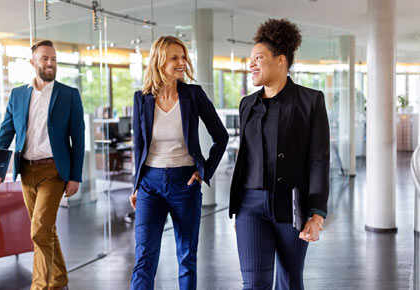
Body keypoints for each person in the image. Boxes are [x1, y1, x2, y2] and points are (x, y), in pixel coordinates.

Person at [229, 19, 330, 290]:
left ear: (281, 60)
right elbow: (246, 158)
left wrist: (317, 215)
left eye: (258, 58)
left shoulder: (311, 101)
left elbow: (319, 160)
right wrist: (238, 208)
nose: (251, 64)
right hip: (250, 206)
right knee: (254, 283)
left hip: (291, 205)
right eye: (250, 59)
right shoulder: (246, 105)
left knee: (289, 281)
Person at [129, 35, 228, 290]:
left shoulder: (192, 95)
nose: (182, 62)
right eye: (175, 57)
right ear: (160, 61)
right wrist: (136, 185)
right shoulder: (141, 98)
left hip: (185, 183)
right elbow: (139, 146)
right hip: (150, 184)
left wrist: (204, 171)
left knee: (186, 258)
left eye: (183, 56)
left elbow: (221, 136)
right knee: (144, 259)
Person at [0, 40, 85, 290]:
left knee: (39, 230)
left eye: (53, 58)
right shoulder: (18, 95)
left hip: (54, 172)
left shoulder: (69, 95)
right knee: (46, 230)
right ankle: (60, 279)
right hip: (27, 171)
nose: (50, 62)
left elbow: (79, 136)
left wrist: (75, 176)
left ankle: (40, 286)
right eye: (44, 58)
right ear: (33, 62)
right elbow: (6, 132)